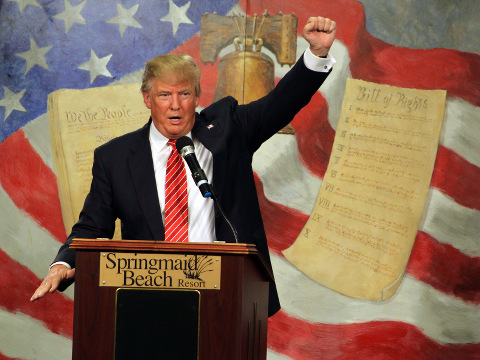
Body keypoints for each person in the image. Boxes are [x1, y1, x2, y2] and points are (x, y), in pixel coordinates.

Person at [31, 16, 337, 317]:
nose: (175, 105)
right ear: (147, 99)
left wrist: (317, 54)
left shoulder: (231, 130)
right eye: (165, 95)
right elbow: (91, 227)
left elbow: (282, 102)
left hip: (227, 299)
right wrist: (63, 264)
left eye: (184, 94)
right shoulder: (116, 157)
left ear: (197, 97)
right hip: (148, 303)